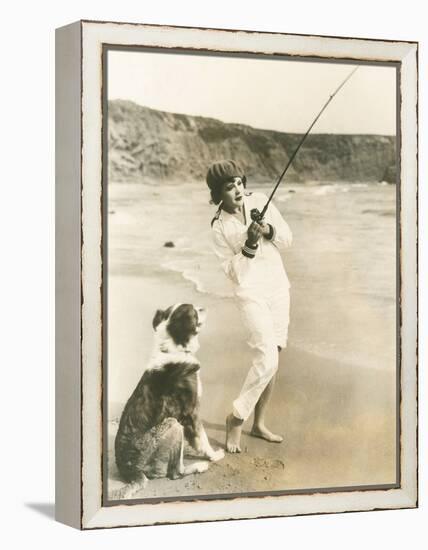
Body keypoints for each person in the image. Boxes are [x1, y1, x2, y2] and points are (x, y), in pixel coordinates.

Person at [207, 160, 292, 453]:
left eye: (239, 182)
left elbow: (287, 238)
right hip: (250, 294)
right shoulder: (219, 227)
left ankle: (259, 423)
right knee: (266, 357)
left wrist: (267, 229)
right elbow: (234, 273)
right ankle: (237, 417)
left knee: (274, 358)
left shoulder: (260, 201)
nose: (237, 190)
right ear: (218, 194)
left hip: (278, 288)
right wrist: (250, 245)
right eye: (229, 187)